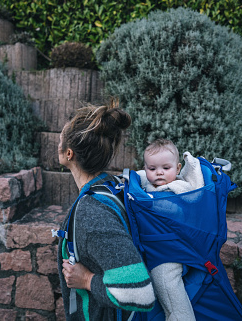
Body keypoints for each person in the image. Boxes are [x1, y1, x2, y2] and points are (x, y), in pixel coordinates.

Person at [57, 101, 156, 320]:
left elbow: (141, 294)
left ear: (70, 153)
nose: (58, 143)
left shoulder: (93, 213)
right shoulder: (110, 184)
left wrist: (86, 280)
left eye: (60, 138)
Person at [136, 139, 204, 321]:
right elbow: (139, 176)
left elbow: (185, 203)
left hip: (168, 257)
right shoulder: (148, 185)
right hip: (155, 248)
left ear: (178, 168)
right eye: (152, 169)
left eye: (166, 168)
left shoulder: (179, 189)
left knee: (176, 305)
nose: (159, 173)